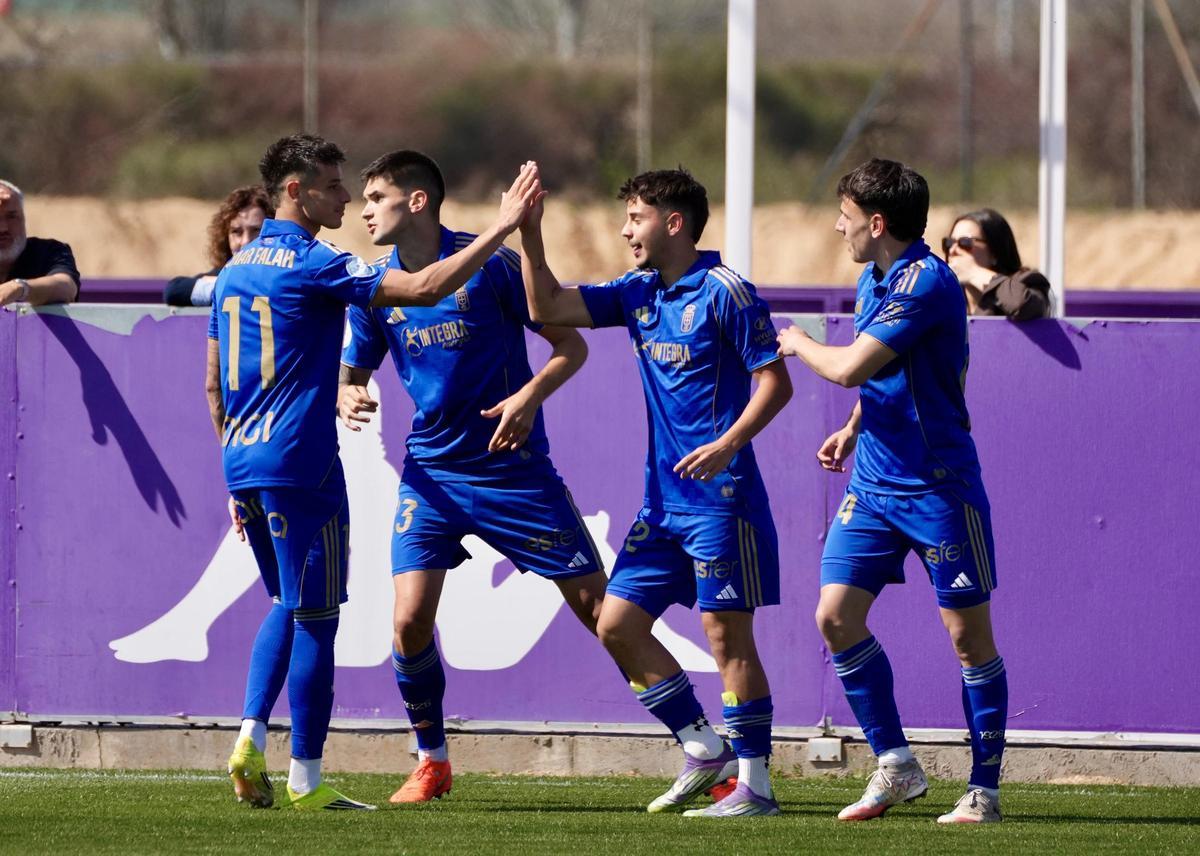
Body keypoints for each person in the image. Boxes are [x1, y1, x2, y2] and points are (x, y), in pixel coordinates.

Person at [208, 133, 540, 811]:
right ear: (295, 191)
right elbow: (420, 286)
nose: (345, 198)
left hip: (242, 459)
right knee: (319, 617)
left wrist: (233, 466)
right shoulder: (315, 261)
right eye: (332, 185)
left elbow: (214, 382)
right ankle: (306, 778)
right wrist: (503, 227)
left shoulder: (235, 271)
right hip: (302, 463)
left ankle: (248, 732)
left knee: (286, 603)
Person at [336, 149, 608, 804]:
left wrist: (528, 397)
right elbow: (353, 371)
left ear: (418, 201)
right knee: (406, 623)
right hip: (430, 474)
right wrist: (348, 393)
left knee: (602, 613)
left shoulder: (494, 270)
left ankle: (701, 745)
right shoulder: (375, 287)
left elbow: (571, 346)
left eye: (376, 196)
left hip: (512, 472)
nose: (364, 209)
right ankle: (431, 760)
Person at [521, 167, 793, 818]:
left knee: (727, 641)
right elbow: (548, 309)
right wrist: (529, 234)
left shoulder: (727, 290)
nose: (625, 230)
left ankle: (756, 786)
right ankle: (703, 747)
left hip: (721, 503)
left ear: (674, 223)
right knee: (616, 625)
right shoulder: (637, 292)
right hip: (661, 509)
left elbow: (775, 382)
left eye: (636, 217)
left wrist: (729, 443)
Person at [776, 158, 1007, 824]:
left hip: (939, 489)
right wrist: (853, 429)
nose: (837, 225)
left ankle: (983, 790)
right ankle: (897, 765)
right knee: (834, 617)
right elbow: (883, 371)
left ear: (877, 223)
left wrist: (796, 342)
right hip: (874, 485)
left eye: (844, 215)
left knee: (969, 641)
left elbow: (849, 366)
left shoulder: (928, 283)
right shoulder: (873, 276)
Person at [165, 185, 274, 306]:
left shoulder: (290, 273)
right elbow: (174, 291)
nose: (245, 242)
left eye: (256, 231)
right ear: (225, 237)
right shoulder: (222, 275)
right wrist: (228, 285)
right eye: (236, 232)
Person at [943, 208, 1051, 320]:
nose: (952, 250)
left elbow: (1022, 305)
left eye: (965, 242)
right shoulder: (947, 294)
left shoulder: (1027, 282)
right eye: (949, 243)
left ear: (995, 252)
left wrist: (975, 272)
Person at [0, 180, 81, 306]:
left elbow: (66, 287)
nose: (3, 228)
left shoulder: (49, 252)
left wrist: (19, 288)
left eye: (11, 217)